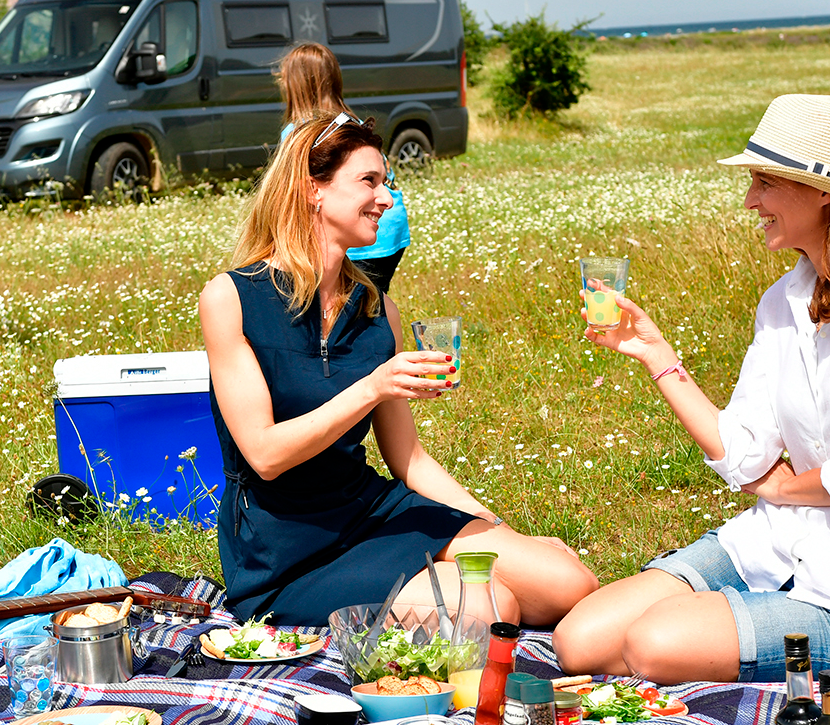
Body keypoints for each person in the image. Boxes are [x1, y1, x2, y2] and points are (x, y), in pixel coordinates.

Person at [552, 94, 830, 685]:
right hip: (772, 541)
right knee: (577, 640)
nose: (751, 201)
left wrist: (780, 487)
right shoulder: (781, 303)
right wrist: (657, 355)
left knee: (651, 641)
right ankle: (712, 635)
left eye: (764, 183)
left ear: (823, 190)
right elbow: (746, 452)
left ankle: (716, 641)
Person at [200, 111, 599, 627]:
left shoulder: (375, 308)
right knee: (488, 605)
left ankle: (429, 585)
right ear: (312, 190)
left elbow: (408, 459)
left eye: (385, 181)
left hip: (370, 511)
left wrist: (496, 525)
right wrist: (372, 387)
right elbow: (265, 454)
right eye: (369, 180)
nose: (386, 198)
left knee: (570, 583)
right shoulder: (231, 297)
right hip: (288, 550)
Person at [276, 42, 411, 293]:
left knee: (343, 310)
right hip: (390, 231)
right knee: (370, 306)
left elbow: (290, 196)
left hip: (356, 234)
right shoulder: (354, 124)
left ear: (293, 84)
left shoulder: (298, 134)